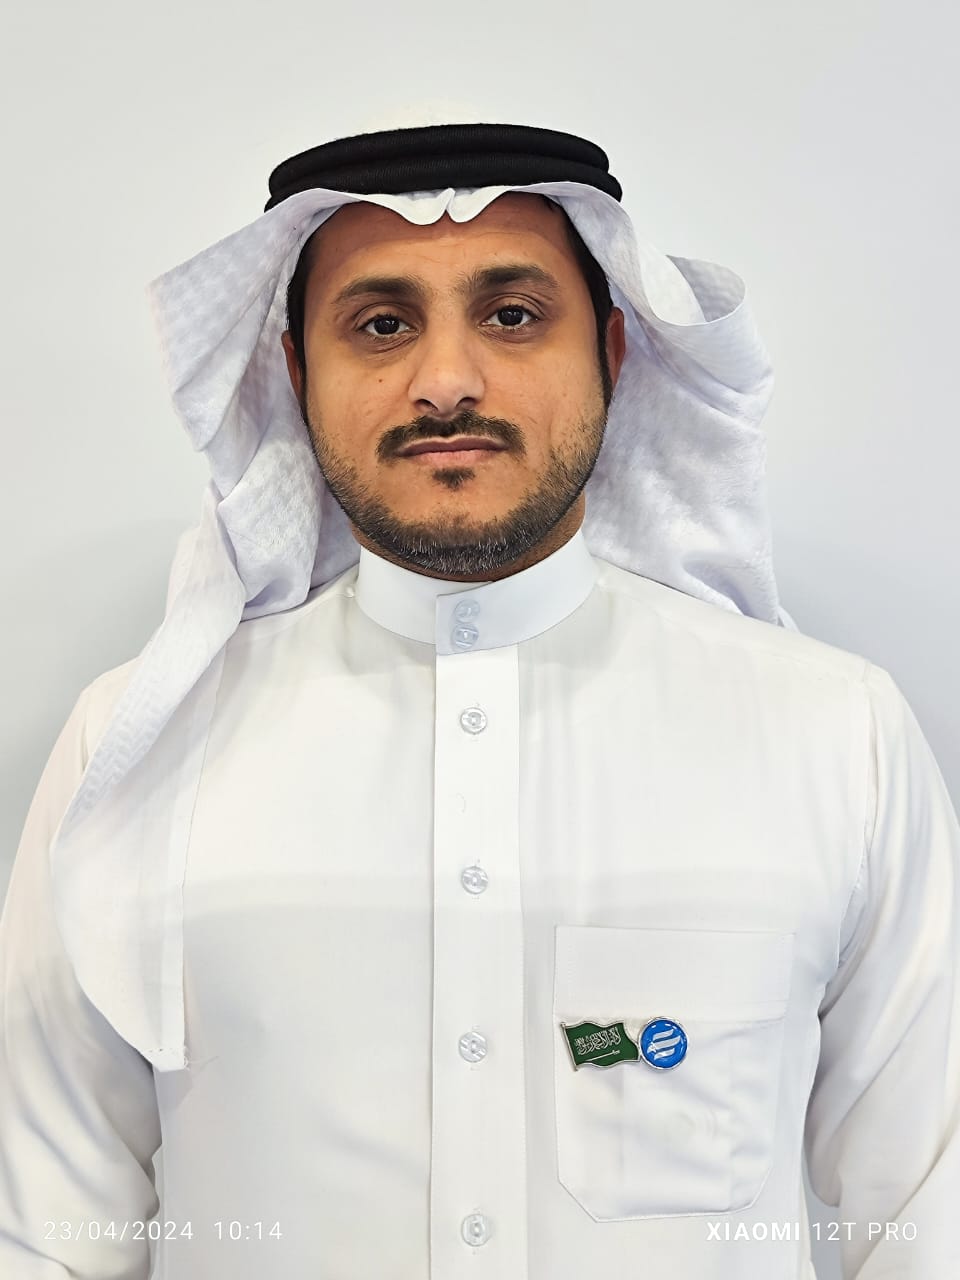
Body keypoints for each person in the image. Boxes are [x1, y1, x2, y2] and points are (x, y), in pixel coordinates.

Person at [1, 113, 957, 1279]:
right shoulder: (133, 752)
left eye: (512, 314)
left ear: (613, 352)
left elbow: (928, 1222)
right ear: (297, 374)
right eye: (381, 324)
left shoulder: (834, 739)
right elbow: (45, 1236)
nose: (446, 381)